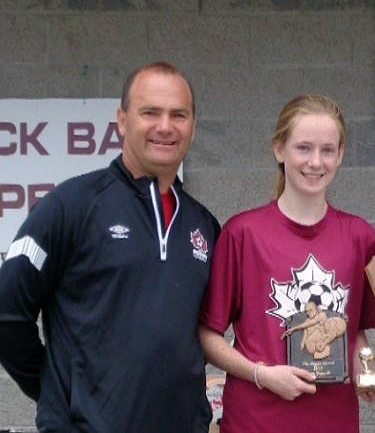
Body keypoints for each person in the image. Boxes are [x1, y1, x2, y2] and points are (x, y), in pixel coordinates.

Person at [0, 62, 220, 432]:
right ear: (121, 121)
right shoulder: (71, 205)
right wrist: (58, 392)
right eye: (150, 112)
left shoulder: (204, 226)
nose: (165, 126)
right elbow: (6, 313)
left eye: (178, 115)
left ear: (193, 128)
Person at [197, 94, 375, 433]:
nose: (316, 161)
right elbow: (208, 336)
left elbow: (355, 332)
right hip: (256, 421)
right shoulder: (243, 234)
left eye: (327, 150)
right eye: (303, 148)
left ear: (341, 155)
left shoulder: (360, 236)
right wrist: (261, 375)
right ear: (279, 149)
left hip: (334, 421)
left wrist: (366, 372)